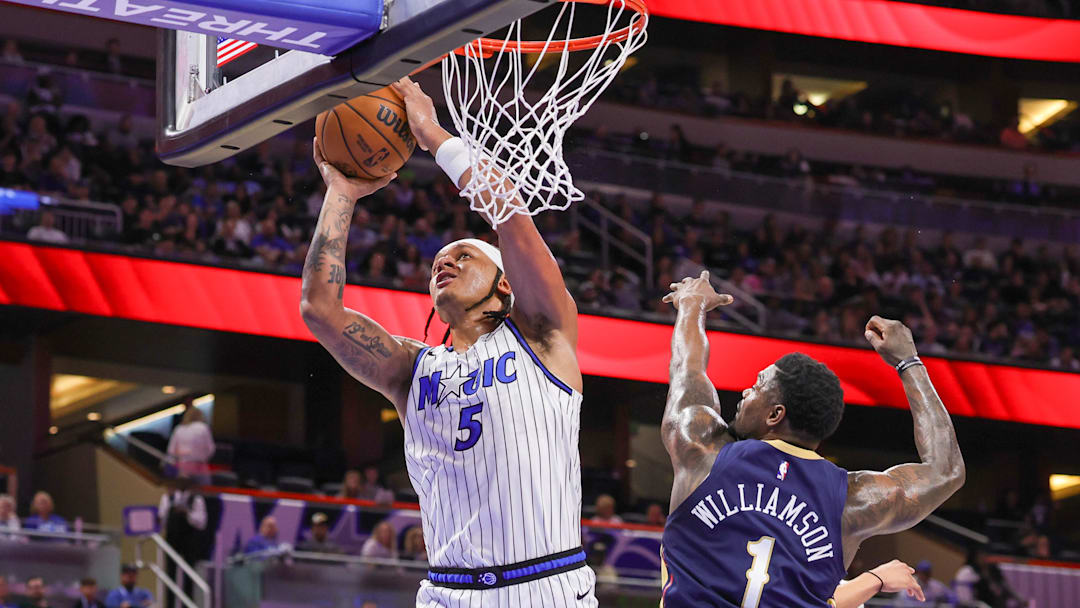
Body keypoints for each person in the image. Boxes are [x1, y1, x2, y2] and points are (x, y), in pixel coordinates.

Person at [300, 75, 595, 606]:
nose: (446, 261)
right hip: (446, 593)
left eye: (465, 256)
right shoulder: (412, 370)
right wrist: (341, 192)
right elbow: (320, 310)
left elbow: (508, 215)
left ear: (505, 283)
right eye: (440, 260)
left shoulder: (545, 334)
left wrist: (432, 135)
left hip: (544, 587)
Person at [659, 272, 965, 607]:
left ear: (775, 415)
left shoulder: (702, 448)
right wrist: (909, 362)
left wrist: (692, 303)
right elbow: (946, 471)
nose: (747, 392)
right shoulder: (853, 500)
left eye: (757, 385)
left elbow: (688, 371)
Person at [158, 477, 207, 608]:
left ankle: (188, 604)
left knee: (189, 574)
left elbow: (201, 522)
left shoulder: (196, 499)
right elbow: (162, 520)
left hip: (189, 539)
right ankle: (169, 605)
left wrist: (187, 513)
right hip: (172, 538)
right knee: (170, 573)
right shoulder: (167, 498)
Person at [166, 406, 214, 485]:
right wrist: (203, 458)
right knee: (203, 491)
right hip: (199, 465)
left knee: (183, 490)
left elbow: (171, 450)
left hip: (182, 466)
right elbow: (210, 448)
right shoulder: (203, 427)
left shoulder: (179, 429)